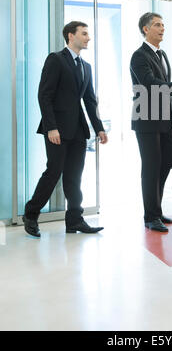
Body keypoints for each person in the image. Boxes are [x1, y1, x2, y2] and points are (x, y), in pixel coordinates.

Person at [23, 21, 108, 237]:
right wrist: (51, 127)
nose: (89, 38)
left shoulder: (86, 66)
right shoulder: (56, 60)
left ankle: (75, 220)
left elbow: (89, 100)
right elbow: (45, 95)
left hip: (78, 130)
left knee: (74, 176)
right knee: (53, 172)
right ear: (71, 36)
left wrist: (98, 128)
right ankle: (31, 215)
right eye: (84, 33)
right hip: (57, 130)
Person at [130, 12, 172, 232]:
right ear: (145, 29)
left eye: (163, 25)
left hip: (166, 118)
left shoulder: (162, 54)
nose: (162, 29)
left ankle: (156, 211)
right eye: (157, 25)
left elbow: (164, 86)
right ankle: (150, 217)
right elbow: (150, 83)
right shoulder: (139, 56)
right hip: (147, 118)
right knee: (151, 167)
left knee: (165, 164)